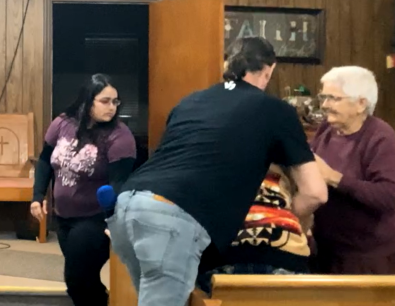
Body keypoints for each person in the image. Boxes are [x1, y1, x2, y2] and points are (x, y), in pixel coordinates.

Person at [107, 37, 327, 306]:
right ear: (269, 70)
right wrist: (289, 221)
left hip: (129, 204)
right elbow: (316, 193)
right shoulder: (275, 110)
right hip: (172, 215)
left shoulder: (190, 101)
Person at [31, 73, 137, 306]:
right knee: (84, 279)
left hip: (95, 219)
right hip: (64, 217)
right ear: (88, 101)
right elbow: (45, 160)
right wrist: (38, 195)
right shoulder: (62, 123)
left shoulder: (120, 136)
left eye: (115, 102)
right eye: (105, 101)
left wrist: (114, 221)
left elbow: (119, 184)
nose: (112, 107)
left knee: (75, 278)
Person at [310, 66, 395, 274]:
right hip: (326, 249)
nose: (325, 105)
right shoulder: (326, 130)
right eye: (323, 97)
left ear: (361, 104)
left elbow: (388, 195)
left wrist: (335, 178)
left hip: (365, 260)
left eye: (334, 98)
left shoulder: (381, 138)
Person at [196, 164, 312, 295]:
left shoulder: (212, 168)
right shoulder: (286, 174)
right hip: (288, 262)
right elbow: (315, 196)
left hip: (225, 260)